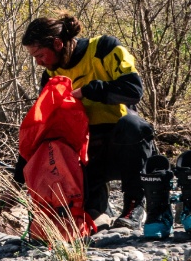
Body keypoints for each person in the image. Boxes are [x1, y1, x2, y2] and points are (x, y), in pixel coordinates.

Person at [18, 12, 155, 229]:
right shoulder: (51, 76)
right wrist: (21, 171)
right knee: (89, 219)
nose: (38, 63)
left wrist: (89, 91)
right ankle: (97, 208)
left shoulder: (104, 48)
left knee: (133, 126)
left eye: (40, 55)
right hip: (87, 154)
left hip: (122, 146)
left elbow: (134, 90)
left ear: (57, 44)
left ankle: (134, 205)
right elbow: (43, 125)